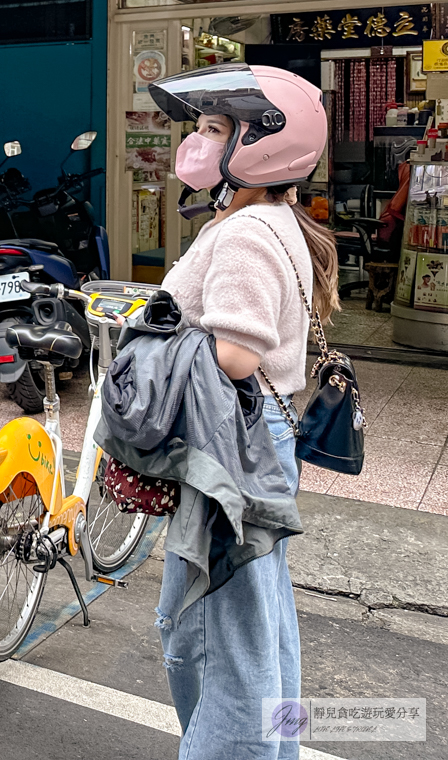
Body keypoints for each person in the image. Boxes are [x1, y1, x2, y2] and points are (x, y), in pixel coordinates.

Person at [148, 63, 336, 757]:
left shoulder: (246, 231)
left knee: (209, 634)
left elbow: (235, 356)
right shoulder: (268, 217)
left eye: (213, 128)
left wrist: (157, 340)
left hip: (232, 451)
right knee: (258, 623)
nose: (195, 142)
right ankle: (276, 748)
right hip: (258, 442)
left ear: (263, 143)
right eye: (198, 126)